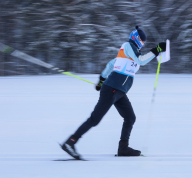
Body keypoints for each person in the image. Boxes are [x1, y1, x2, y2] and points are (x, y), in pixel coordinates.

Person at [61, 26, 166, 159]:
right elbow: (141, 60)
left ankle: (123, 148)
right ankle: (70, 142)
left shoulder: (128, 51)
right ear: (135, 37)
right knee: (95, 119)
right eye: (141, 40)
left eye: (144, 41)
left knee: (130, 118)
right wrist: (157, 50)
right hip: (112, 89)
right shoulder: (128, 46)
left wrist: (101, 80)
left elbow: (111, 64)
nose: (142, 43)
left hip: (119, 91)